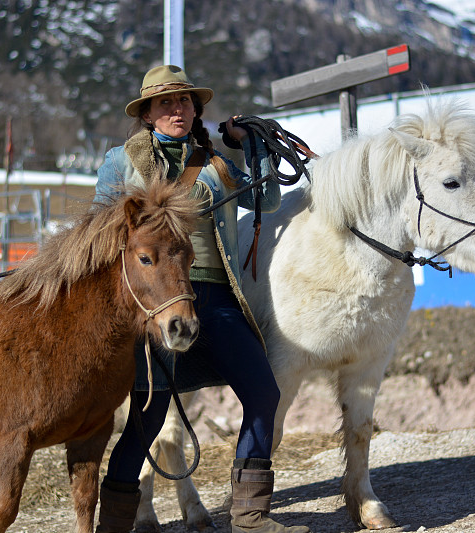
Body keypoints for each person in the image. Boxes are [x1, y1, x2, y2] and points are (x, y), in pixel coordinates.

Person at [93, 65, 308, 533]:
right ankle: (112, 525)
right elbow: (100, 233)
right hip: (156, 306)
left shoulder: (213, 164)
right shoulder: (119, 162)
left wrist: (250, 143)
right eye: (166, 103)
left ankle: (250, 516)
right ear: (148, 114)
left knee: (263, 393)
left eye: (186, 102)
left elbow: (268, 199)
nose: (178, 109)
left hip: (215, 298)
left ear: (196, 110)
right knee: (146, 423)